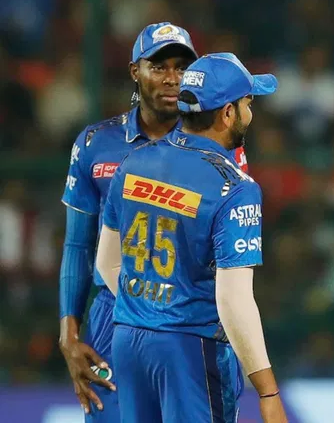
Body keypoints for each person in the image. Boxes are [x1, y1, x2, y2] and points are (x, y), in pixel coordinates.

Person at [58, 22, 247, 419]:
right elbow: (78, 245)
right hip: (117, 315)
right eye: (159, 67)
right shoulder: (95, 144)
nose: (172, 78)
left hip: (192, 318)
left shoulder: (220, 142)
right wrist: (69, 334)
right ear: (135, 71)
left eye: (182, 67)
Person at [94, 53, 286, 423]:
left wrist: (151, 312)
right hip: (189, 349)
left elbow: (107, 263)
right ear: (227, 113)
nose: (250, 114)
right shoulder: (235, 188)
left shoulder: (133, 162)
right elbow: (233, 299)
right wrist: (268, 392)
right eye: (248, 104)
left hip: (129, 341)